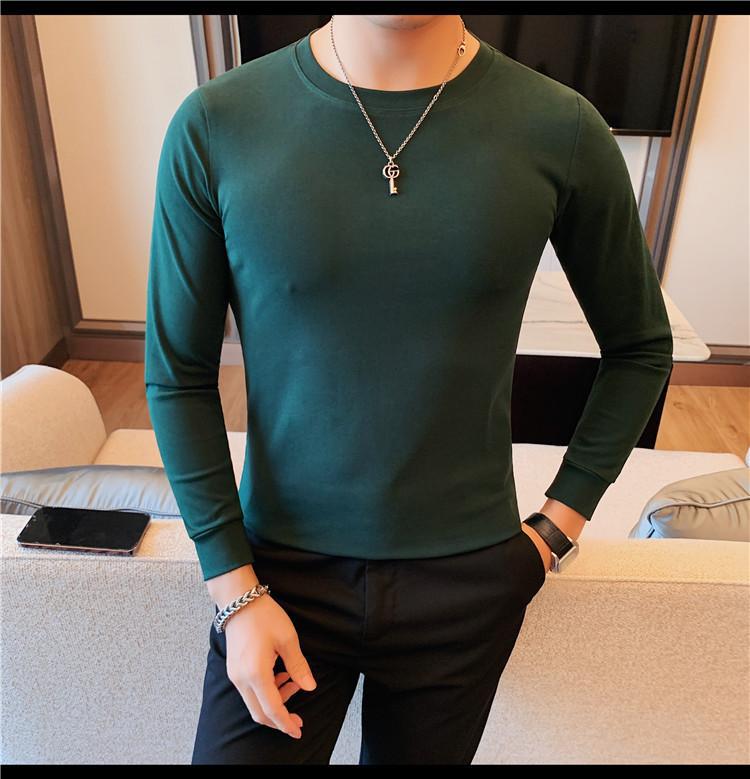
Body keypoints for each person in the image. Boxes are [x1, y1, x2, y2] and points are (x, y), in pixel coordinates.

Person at [144, 14, 674, 765]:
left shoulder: (560, 127)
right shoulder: (217, 123)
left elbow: (641, 346)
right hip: (275, 578)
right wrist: (234, 588)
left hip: (468, 580)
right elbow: (177, 373)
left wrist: (554, 531)